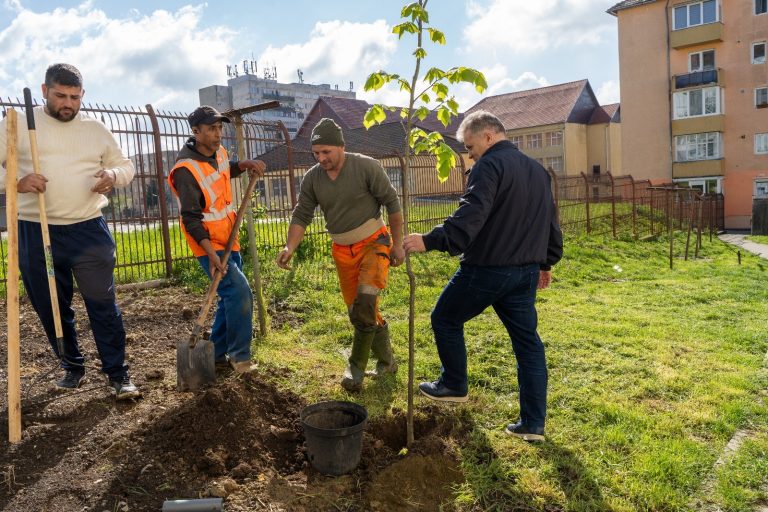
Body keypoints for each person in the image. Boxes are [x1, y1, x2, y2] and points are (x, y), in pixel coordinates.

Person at [403, 110, 563, 442]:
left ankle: (454, 384)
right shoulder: (537, 171)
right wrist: (546, 262)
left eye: (471, 146)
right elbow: (550, 220)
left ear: (488, 136)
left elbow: (471, 214)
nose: (470, 154)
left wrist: (430, 240)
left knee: (445, 318)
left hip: (488, 268)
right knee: (528, 345)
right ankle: (533, 424)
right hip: (525, 273)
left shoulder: (489, 166)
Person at [0, 63, 140, 399]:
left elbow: (126, 165)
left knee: (102, 303)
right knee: (51, 305)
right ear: (45, 90)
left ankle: (118, 375)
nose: (68, 103)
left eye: (75, 97)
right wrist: (16, 183)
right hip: (37, 231)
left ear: (83, 96)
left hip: (88, 230)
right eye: (61, 95)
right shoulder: (17, 124)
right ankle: (72, 367)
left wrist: (112, 176)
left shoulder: (95, 128)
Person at [276, 118, 405, 392]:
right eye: (316, 153)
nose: (321, 158)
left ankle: (354, 369)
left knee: (366, 304)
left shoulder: (366, 166)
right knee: (356, 311)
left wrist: (398, 244)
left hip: (375, 243)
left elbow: (392, 203)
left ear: (341, 147)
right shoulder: (313, 178)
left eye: (326, 152)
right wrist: (290, 247)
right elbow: (302, 215)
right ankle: (387, 361)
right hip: (342, 251)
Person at [168, 106, 266, 373]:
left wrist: (242, 166)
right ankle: (240, 357)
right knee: (239, 292)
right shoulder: (185, 170)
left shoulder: (219, 153)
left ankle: (217, 354)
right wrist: (210, 254)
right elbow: (191, 219)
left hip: (229, 238)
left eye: (220, 128)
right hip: (206, 244)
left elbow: (224, 170)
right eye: (211, 129)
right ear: (196, 131)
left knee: (229, 296)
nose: (217, 133)